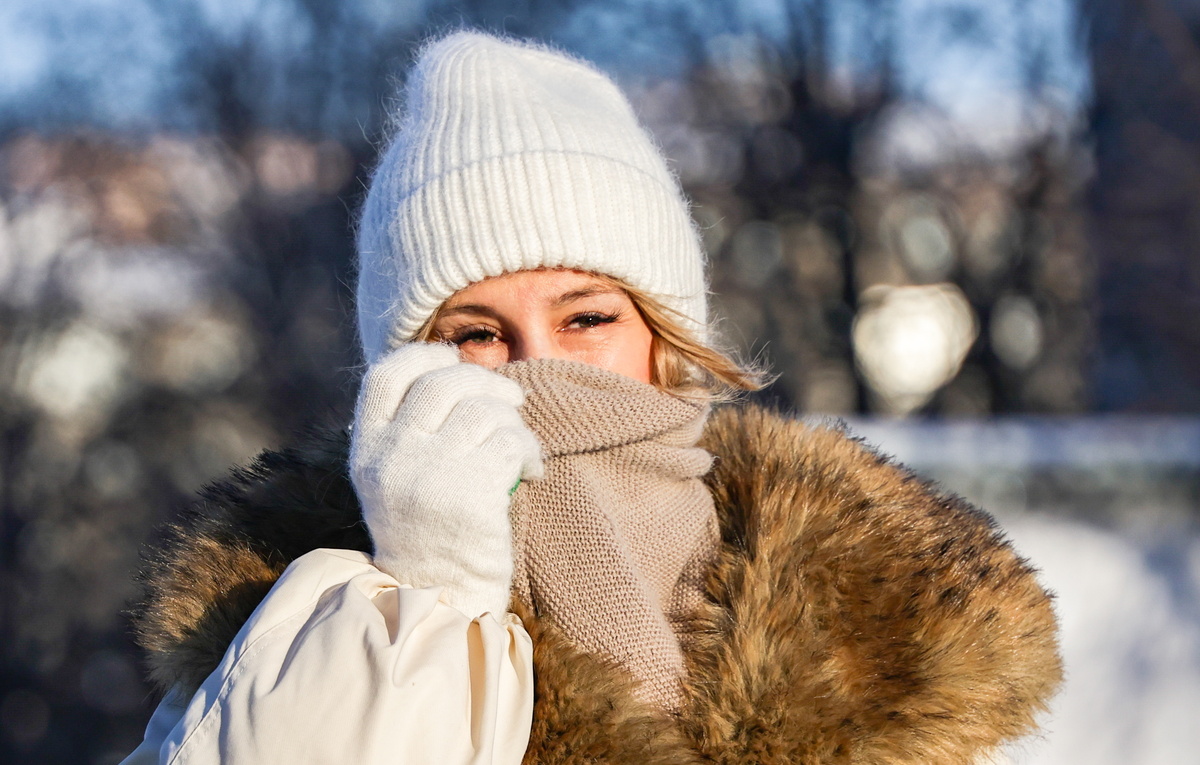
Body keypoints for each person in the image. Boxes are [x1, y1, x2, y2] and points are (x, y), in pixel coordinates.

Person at [123, 31, 1062, 764]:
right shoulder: (272, 634)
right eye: (477, 334)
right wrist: (421, 608)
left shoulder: (884, 626)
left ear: (664, 332)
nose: (541, 370)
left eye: (586, 319)